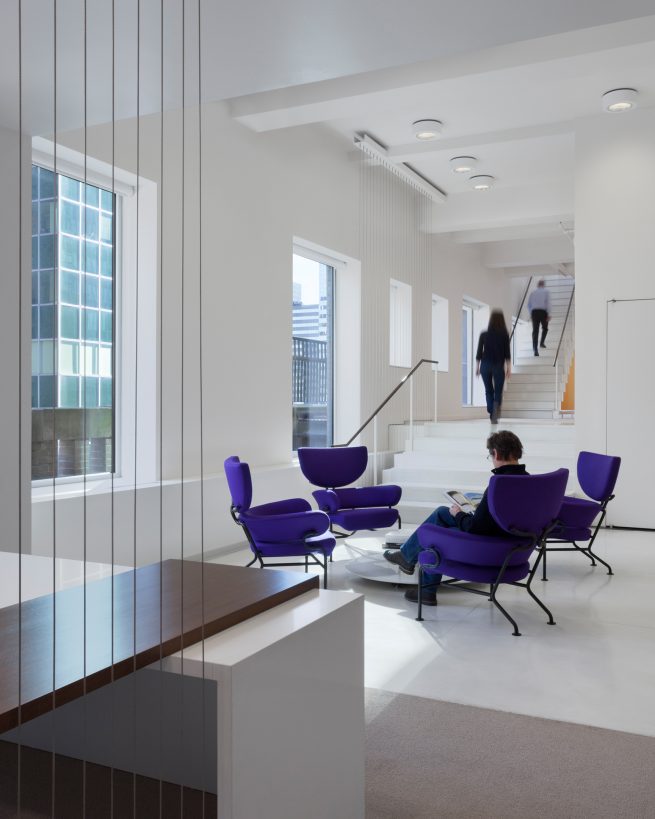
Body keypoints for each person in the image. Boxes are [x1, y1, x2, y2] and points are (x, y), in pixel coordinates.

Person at [383, 431, 527, 606]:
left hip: (489, 548)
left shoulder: (498, 484)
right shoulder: (529, 482)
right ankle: (406, 557)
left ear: (495, 453)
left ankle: (426, 589)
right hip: (515, 547)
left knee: (435, 533)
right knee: (441, 512)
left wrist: (458, 514)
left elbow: (475, 528)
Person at [476, 309, 511, 424]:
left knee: (488, 390)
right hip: (498, 366)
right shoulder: (504, 335)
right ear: (502, 321)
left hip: (485, 365)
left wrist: (477, 367)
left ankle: (491, 410)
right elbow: (507, 353)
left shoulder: (484, 334)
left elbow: (479, 352)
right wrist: (509, 368)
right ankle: (494, 412)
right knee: (498, 391)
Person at [527, 279, 550, 356]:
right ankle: (542, 342)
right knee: (545, 328)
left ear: (537, 285)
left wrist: (531, 313)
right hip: (543, 312)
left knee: (535, 332)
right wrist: (548, 314)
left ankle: (535, 350)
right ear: (543, 285)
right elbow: (548, 303)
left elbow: (529, 305)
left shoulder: (533, 293)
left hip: (534, 312)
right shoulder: (546, 292)